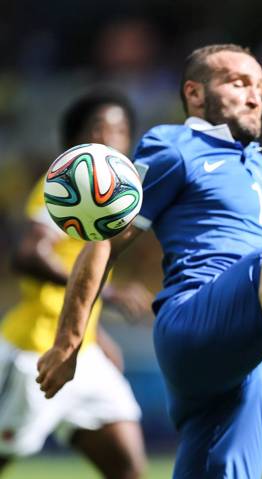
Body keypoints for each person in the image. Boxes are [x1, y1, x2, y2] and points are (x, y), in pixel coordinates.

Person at [35, 44, 262, 479]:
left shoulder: (256, 166)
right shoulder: (174, 146)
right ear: (195, 94)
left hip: (243, 352)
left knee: (225, 472)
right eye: (238, 83)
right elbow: (105, 239)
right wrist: (69, 340)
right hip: (195, 320)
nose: (255, 96)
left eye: (260, 87)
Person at [0, 90, 151, 479]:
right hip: (35, 350)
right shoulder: (69, 185)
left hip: (85, 357)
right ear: (73, 141)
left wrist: (96, 335)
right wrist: (113, 293)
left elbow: (83, 276)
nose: (107, 138)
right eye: (96, 128)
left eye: (118, 130)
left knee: (129, 469)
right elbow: (28, 254)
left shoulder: (115, 197)